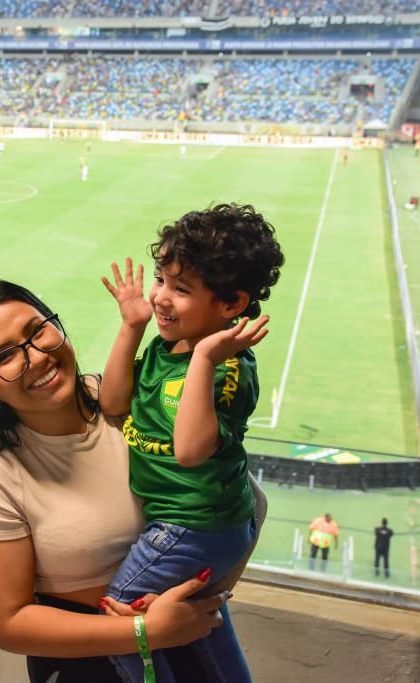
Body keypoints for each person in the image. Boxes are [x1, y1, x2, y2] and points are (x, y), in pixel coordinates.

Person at [0, 280, 263, 683]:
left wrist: (207, 594)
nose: (36, 357)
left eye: (38, 330)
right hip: (89, 665)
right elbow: (10, 625)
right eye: (5, 356)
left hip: (193, 633)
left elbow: (245, 501)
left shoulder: (124, 397)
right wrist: (147, 631)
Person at [98, 203, 282, 681]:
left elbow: (190, 450)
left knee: (121, 622)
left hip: (194, 527)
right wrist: (131, 326)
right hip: (191, 524)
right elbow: (112, 402)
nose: (160, 297)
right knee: (207, 632)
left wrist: (203, 359)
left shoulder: (226, 368)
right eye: (161, 280)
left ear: (231, 304)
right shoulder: (169, 344)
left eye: (181, 289)